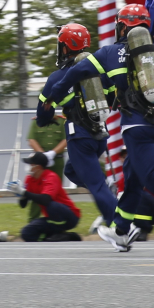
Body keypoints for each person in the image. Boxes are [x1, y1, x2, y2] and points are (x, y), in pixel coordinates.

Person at [46, 5, 154, 252]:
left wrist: (54, 92)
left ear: (122, 27)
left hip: (136, 126)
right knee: (133, 180)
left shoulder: (109, 53)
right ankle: (120, 231)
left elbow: (78, 70)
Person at [36, 24, 117, 230]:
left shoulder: (57, 77)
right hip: (100, 132)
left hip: (79, 136)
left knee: (96, 185)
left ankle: (120, 226)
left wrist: (51, 116)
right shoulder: (99, 68)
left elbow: (41, 116)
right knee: (72, 171)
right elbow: (113, 97)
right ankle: (107, 190)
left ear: (64, 48)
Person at [7, 152, 81, 242]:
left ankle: (57, 233)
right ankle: (61, 237)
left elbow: (46, 200)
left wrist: (23, 192)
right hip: (51, 218)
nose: (28, 166)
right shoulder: (30, 179)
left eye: (31, 164)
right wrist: (20, 194)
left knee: (51, 206)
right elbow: (23, 205)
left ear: (38, 167)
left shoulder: (51, 177)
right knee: (26, 233)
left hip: (69, 216)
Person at [26, 115, 67, 221]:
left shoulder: (62, 121)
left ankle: (56, 220)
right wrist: (43, 156)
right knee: (36, 191)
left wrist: (53, 153)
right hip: (39, 163)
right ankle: (33, 220)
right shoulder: (36, 121)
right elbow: (31, 140)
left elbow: (66, 139)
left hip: (57, 160)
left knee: (56, 192)